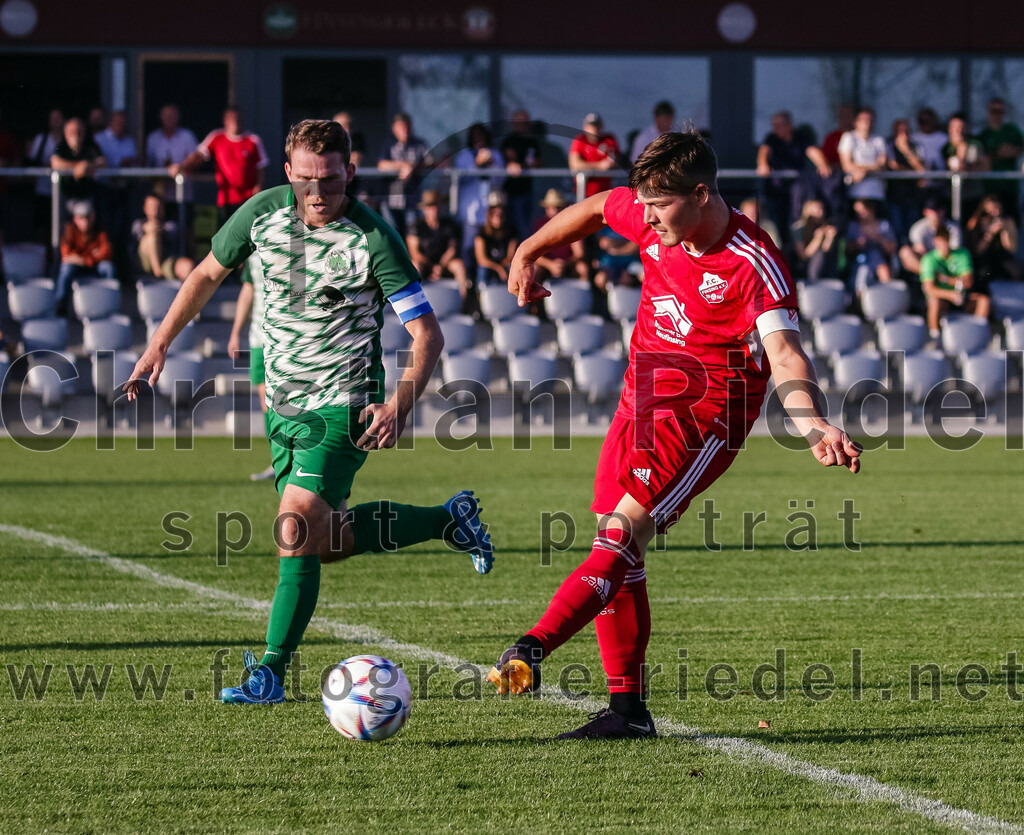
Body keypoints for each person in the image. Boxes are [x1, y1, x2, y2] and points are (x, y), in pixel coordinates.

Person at [487, 131, 861, 739]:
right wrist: (527, 251)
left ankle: (532, 646)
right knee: (619, 548)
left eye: (659, 206)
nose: (647, 218)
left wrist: (812, 422)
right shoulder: (654, 216)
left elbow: (786, 354)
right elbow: (597, 207)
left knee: (619, 536)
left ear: (701, 194)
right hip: (640, 400)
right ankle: (627, 714)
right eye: (645, 205)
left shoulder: (753, 263)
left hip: (704, 416)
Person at [125, 119, 494, 705]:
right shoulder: (260, 214)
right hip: (283, 405)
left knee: (293, 526)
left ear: (351, 172)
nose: (318, 194)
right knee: (324, 541)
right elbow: (205, 274)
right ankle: (447, 521)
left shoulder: (373, 239)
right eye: (305, 180)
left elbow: (427, 334)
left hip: (345, 402)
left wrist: (399, 404)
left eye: (331, 180)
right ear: (288, 173)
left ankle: (270, 673)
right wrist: (159, 342)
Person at [228, 252, 275, 481]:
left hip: (288, 339)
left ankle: (299, 458)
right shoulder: (255, 252)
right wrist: (235, 332)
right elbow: (248, 290)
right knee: (266, 401)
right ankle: (278, 460)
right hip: (259, 337)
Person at [179, 107, 268, 223]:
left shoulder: (253, 140)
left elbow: (261, 166)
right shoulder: (216, 137)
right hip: (225, 199)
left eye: (237, 119)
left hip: (248, 198)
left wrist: (258, 187)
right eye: (231, 119)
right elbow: (199, 154)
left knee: (246, 228)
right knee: (226, 228)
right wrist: (182, 166)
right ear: (225, 121)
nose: (235, 122)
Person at [756, 111, 831, 240]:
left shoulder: (801, 137)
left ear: (789, 125)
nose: (776, 129)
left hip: (796, 189)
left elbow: (812, 151)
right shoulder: (771, 138)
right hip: (776, 189)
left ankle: (796, 245)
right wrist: (762, 165)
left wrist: (822, 164)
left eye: (779, 125)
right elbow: (764, 151)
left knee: (795, 218)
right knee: (776, 220)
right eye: (774, 125)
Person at [921, 226, 989, 342]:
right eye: (941, 241)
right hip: (943, 300)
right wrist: (950, 294)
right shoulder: (929, 259)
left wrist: (946, 279)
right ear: (935, 242)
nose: (944, 245)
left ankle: (977, 336)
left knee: (983, 301)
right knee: (934, 302)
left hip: (961, 296)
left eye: (946, 241)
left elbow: (968, 282)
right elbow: (929, 289)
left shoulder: (962, 254)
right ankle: (935, 338)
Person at [454, 123, 506, 259]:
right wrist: (476, 164)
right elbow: (461, 178)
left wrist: (492, 163)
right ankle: (469, 272)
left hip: (489, 209)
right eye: (476, 136)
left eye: (481, 136)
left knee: (488, 246)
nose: (479, 139)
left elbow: (501, 180)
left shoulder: (494, 154)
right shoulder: (464, 156)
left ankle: (486, 272)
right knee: (469, 246)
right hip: (470, 209)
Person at [406, 189, 469, 300]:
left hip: (445, 263)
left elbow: (452, 249)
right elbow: (415, 253)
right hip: (425, 263)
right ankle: (415, 301)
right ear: (425, 209)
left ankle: (461, 302)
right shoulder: (416, 226)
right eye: (431, 206)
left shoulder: (449, 225)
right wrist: (432, 266)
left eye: (436, 205)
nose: (434, 209)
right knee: (415, 265)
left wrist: (440, 266)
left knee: (459, 266)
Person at [376, 112, 431, 236]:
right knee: (392, 235)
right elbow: (382, 165)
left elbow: (430, 162)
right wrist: (403, 166)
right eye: (401, 126)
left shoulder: (419, 144)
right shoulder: (388, 144)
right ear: (394, 128)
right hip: (391, 199)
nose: (405, 130)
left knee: (412, 235)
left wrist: (413, 167)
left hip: (412, 199)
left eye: (407, 126)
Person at [56, 201, 115, 308]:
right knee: (66, 269)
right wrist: (90, 257)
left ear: (93, 216)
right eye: (81, 218)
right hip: (78, 266)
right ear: (75, 218)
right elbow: (66, 255)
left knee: (108, 268)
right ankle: (61, 304)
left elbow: (106, 252)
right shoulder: (69, 230)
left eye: (88, 217)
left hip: (95, 266)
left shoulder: (100, 229)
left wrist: (83, 259)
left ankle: (108, 303)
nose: (85, 221)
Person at [500, 109, 543, 240]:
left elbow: (538, 162)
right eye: (519, 122)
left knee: (525, 228)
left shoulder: (532, 142)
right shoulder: (508, 141)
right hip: (510, 192)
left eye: (524, 122)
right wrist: (511, 165)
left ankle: (524, 250)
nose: (522, 125)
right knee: (510, 227)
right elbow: (506, 161)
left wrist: (524, 166)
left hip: (528, 191)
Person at [978, 97, 1023, 218]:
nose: (997, 115)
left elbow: (1018, 150)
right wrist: (1000, 152)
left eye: (1000, 111)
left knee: (1011, 220)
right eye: (994, 111)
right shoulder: (984, 135)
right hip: (991, 188)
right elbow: (984, 159)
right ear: (988, 112)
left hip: (1010, 187)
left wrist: (994, 153)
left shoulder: (1012, 131)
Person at [532, 189, 588, 285]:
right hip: (546, 266)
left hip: (568, 265)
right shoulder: (539, 225)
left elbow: (579, 253)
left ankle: (584, 294)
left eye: (557, 207)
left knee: (582, 268)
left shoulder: (573, 225)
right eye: (551, 207)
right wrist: (550, 265)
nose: (554, 210)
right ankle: (534, 295)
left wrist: (565, 263)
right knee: (534, 270)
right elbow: (534, 254)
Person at [132, 194, 194, 281]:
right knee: (152, 236)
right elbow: (142, 228)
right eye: (152, 206)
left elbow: (172, 231)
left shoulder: (171, 226)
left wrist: (159, 228)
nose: (155, 210)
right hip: (144, 263)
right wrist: (150, 228)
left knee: (188, 266)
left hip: (166, 262)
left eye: (158, 207)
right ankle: (157, 271)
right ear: (145, 208)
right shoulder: (138, 224)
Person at [966, 194, 1024, 283]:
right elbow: (977, 251)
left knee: (1018, 272)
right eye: (993, 210)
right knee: (983, 273)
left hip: (1002, 257)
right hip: (984, 258)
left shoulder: (1008, 221)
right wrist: (990, 234)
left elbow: (1011, 249)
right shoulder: (977, 223)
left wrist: (1004, 231)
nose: (996, 213)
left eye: (998, 209)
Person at [899, 197, 961, 277]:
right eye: (933, 211)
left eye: (939, 210)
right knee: (905, 252)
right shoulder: (918, 228)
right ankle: (934, 276)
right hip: (928, 264)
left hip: (948, 264)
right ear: (925, 212)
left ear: (944, 211)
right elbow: (920, 250)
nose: (936, 214)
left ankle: (939, 277)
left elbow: (955, 252)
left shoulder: (953, 229)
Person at [27, 108, 64, 243]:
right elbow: (33, 162)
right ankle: (44, 254)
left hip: (63, 191)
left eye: (58, 118)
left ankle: (59, 255)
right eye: (53, 119)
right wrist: (52, 165)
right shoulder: (41, 139)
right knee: (42, 227)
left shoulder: (67, 139)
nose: (56, 122)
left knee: (62, 227)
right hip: (42, 190)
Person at [845, 199, 896, 296]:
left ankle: (888, 297)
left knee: (882, 268)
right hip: (859, 260)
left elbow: (892, 249)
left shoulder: (884, 225)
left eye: (862, 211)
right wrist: (858, 244)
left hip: (880, 259)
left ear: (871, 210)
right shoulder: (853, 226)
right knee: (862, 276)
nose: (859, 214)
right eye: (857, 212)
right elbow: (846, 250)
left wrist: (878, 238)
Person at [886, 118, 926, 240]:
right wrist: (912, 169)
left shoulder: (916, 147)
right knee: (897, 230)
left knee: (912, 230)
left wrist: (906, 151)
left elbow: (922, 170)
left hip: (913, 195)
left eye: (906, 131)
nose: (903, 134)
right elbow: (893, 166)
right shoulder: (888, 145)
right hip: (894, 196)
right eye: (900, 131)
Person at [943, 113, 989, 218]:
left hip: (972, 195)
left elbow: (986, 166)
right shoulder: (945, 147)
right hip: (949, 195)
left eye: (961, 127)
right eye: (955, 127)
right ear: (949, 129)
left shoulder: (975, 144)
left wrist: (969, 168)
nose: (958, 131)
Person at [50, 116, 106, 203]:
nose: (76, 135)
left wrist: (88, 165)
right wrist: (79, 166)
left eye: (79, 132)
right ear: (66, 134)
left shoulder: (91, 146)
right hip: (65, 195)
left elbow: (102, 162)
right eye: (72, 132)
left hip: (86, 195)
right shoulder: (61, 146)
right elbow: (55, 163)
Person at [838, 107, 888, 205]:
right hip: (855, 191)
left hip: (877, 191)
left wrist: (863, 170)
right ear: (855, 122)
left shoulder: (879, 140)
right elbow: (846, 165)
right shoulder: (848, 137)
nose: (867, 122)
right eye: (864, 119)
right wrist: (872, 167)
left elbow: (882, 165)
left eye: (870, 119)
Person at [569, 113, 621, 199]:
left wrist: (611, 164)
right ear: (585, 127)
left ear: (602, 126)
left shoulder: (609, 139)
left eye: (597, 125)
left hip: (606, 193)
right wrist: (599, 166)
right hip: (584, 193)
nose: (594, 128)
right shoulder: (580, 139)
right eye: (591, 126)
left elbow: (616, 161)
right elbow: (574, 164)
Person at [474, 192, 517, 286]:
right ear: (489, 216)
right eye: (495, 214)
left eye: (501, 215)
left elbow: (510, 256)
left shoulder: (511, 232)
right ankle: (481, 291)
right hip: (490, 267)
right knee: (483, 269)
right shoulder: (482, 234)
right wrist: (498, 268)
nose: (498, 218)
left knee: (512, 267)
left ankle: (513, 290)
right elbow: (481, 259)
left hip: (503, 265)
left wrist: (503, 265)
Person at [791, 198, 838, 281]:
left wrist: (829, 238)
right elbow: (804, 255)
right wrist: (817, 239)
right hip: (801, 267)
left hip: (821, 266)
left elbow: (825, 250)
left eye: (822, 209)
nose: (821, 213)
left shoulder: (824, 226)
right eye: (818, 210)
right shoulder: (798, 228)